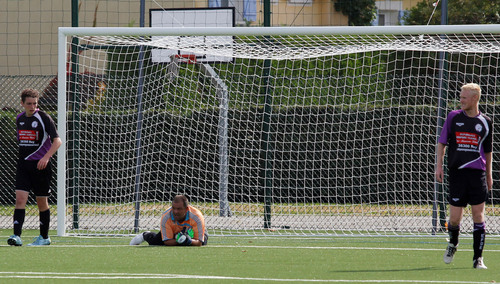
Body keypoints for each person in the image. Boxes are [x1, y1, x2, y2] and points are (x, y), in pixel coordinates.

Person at [435, 83, 492, 269]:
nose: (461, 100)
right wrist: (439, 166)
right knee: (454, 219)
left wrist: (489, 175)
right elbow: (442, 143)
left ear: (474, 99)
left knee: (478, 216)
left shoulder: (485, 121)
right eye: (460, 96)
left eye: (464, 97)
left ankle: (478, 259)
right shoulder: (453, 117)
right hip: (457, 174)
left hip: (478, 175)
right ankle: (453, 244)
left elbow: (488, 151)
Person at [8, 88, 62, 246]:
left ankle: (44, 237)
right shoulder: (19, 119)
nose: (32, 106)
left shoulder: (44, 118)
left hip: (41, 167)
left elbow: (57, 141)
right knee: (20, 199)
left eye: (35, 103)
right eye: (29, 103)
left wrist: (46, 157)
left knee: (41, 202)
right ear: (22, 103)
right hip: (24, 165)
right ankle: (16, 236)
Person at [130, 195, 208, 246]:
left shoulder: (197, 217)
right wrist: (180, 241)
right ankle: (146, 235)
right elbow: (167, 242)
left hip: (192, 234)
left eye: (179, 209)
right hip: (173, 232)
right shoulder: (166, 216)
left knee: (204, 243)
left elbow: (199, 242)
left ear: (186, 209)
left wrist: (189, 241)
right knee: (156, 242)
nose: (175, 212)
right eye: (174, 208)